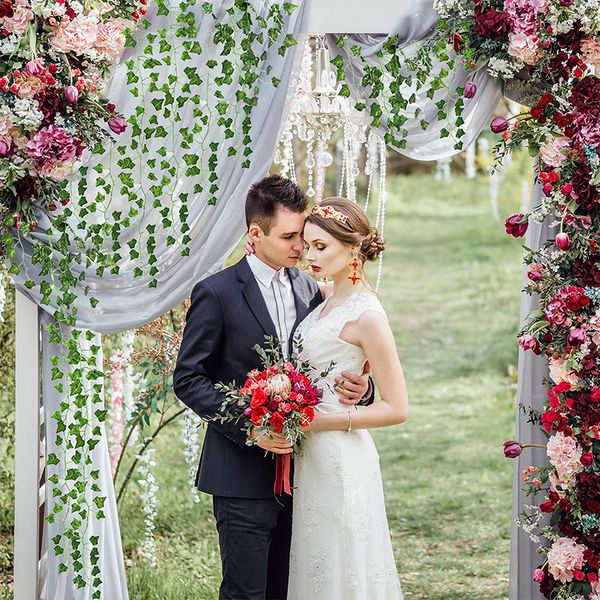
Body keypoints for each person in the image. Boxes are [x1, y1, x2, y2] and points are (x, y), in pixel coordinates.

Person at [172, 176, 372, 600]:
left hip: (307, 471)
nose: (301, 247)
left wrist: (360, 387)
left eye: (304, 235)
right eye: (289, 236)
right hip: (240, 475)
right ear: (255, 234)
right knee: (246, 592)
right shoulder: (217, 292)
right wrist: (251, 426)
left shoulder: (309, 287)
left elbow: (328, 360)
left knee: (291, 588)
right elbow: (189, 378)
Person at [287, 197, 409, 600]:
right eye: (307, 245)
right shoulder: (324, 296)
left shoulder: (367, 316)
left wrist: (326, 421)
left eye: (321, 247)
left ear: (353, 247)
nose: (310, 255)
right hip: (308, 454)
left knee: (345, 565)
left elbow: (397, 408)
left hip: (341, 454)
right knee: (316, 562)